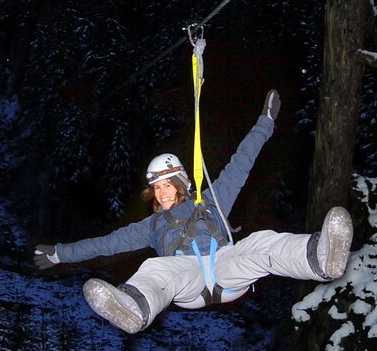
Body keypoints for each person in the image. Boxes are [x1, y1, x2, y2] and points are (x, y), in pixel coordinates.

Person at [33, 90, 353, 334]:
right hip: (185, 279)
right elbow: (104, 244)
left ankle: (320, 257)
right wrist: (60, 254)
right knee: (155, 267)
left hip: (227, 268)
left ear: (181, 184)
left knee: (261, 243)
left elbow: (242, 161)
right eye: (156, 189)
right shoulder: (151, 225)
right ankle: (134, 307)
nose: (161, 193)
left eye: (167, 185)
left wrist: (265, 122)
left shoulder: (212, 200)